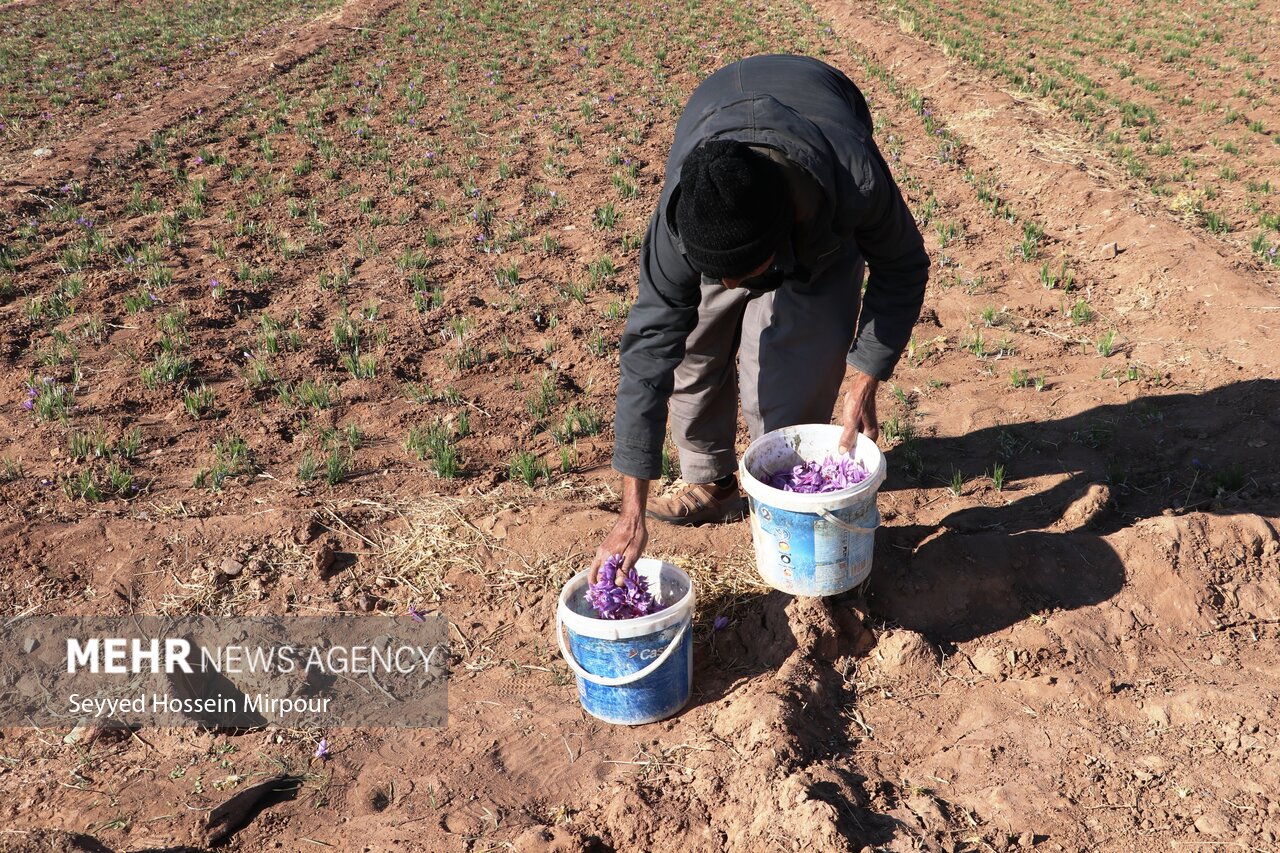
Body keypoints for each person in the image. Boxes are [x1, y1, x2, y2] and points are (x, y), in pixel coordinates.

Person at [591, 55, 929, 583]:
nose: (733, 290)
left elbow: (903, 267)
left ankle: (783, 487)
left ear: (781, 235)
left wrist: (865, 380)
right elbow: (649, 351)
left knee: (793, 362)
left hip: (820, 160)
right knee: (696, 341)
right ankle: (712, 479)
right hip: (718, 105)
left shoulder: (854, 182)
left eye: (744, 274)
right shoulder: (683, 220)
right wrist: (631, 510)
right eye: (718, 275)